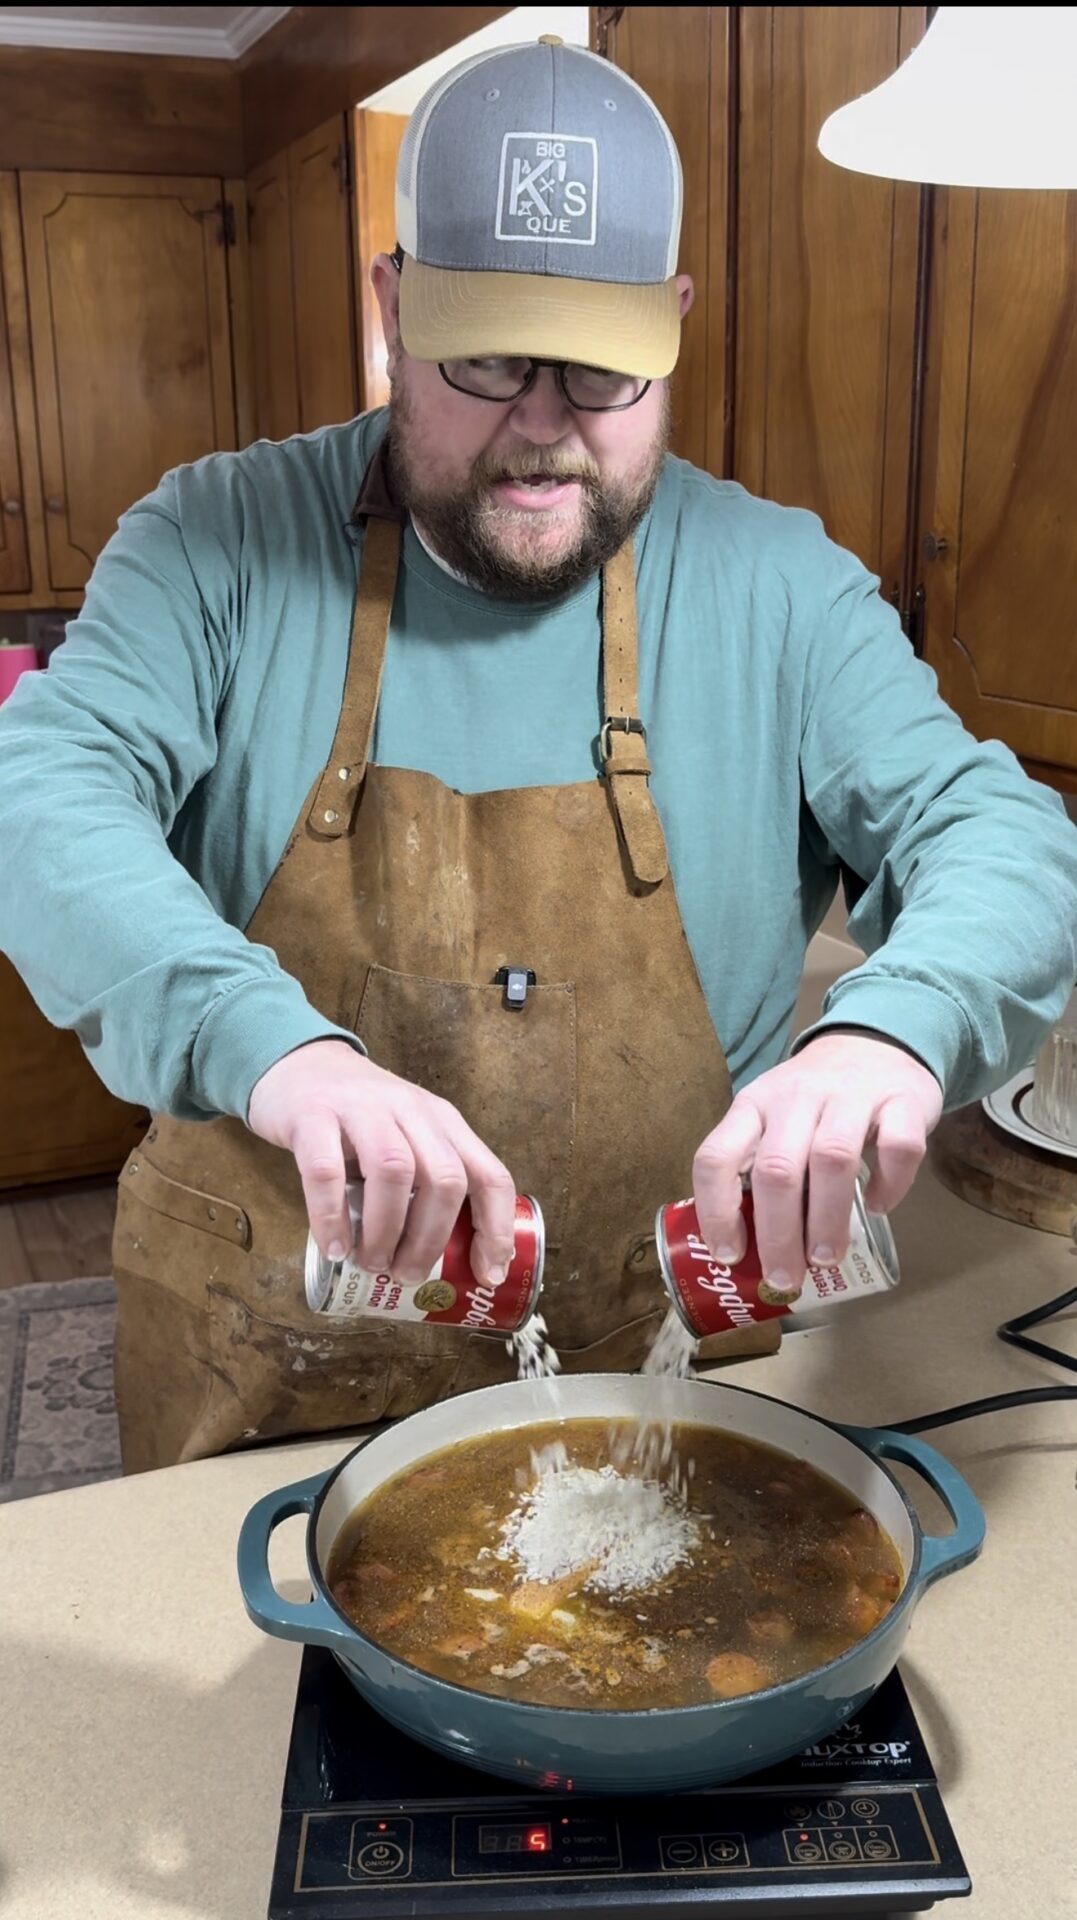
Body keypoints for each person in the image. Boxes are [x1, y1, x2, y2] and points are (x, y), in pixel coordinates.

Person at [0, 38, 1074, 1473]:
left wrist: (890, 1027)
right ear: (392, 307)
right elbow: (35, 798)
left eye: (603, 369)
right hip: (266, 1366)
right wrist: (283, 1059)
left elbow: (996, 833)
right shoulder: (212, 542)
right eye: (489, 356)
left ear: (674, 323)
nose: (544, 427)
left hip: (669, 1384)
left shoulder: (779, 586)